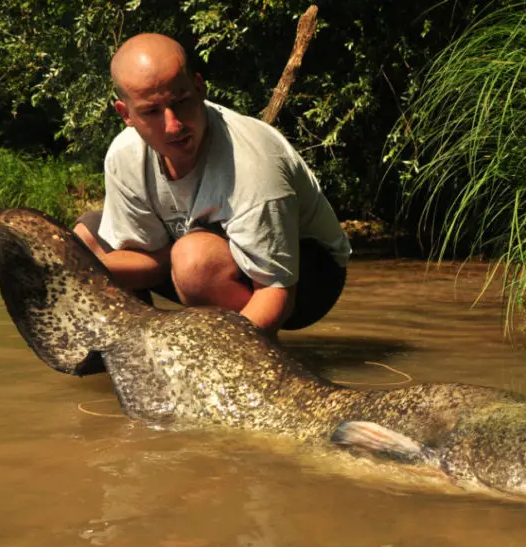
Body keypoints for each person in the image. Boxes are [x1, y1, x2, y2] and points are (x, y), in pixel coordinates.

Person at [74, 33, 351, 335]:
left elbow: (276, 291)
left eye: (181, 102)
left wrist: (210, 358)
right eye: (151, 112)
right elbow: (147, 257)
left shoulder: (253, 162)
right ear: (125, 114)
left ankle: (242, 354)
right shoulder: (124, 156)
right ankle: (126, 355)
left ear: (199, 86)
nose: (173, 125)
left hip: (306, 277)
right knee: (82, 243)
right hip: (199, 253)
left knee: (194, 261)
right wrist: (71, 269)